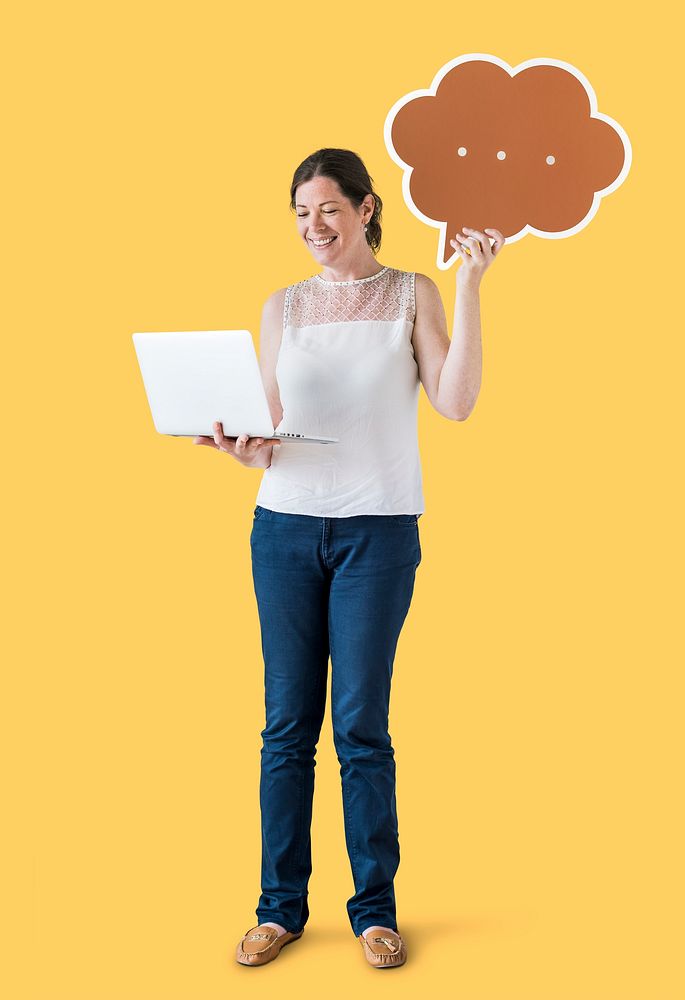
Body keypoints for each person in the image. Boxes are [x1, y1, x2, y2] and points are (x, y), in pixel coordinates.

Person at [194, 148, 505, 968]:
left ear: (366, 209)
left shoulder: (412, 293)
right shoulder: (282, 307)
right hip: (284, 528)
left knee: (361, 727)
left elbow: (456, 402)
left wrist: (471, 287)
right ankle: (278, 908)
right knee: (285, 730)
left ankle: (374, 910)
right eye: (300, 214)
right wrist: (240, 447)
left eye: (327, 209)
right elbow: (268, 428)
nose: (313, 227)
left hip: (378, 533)